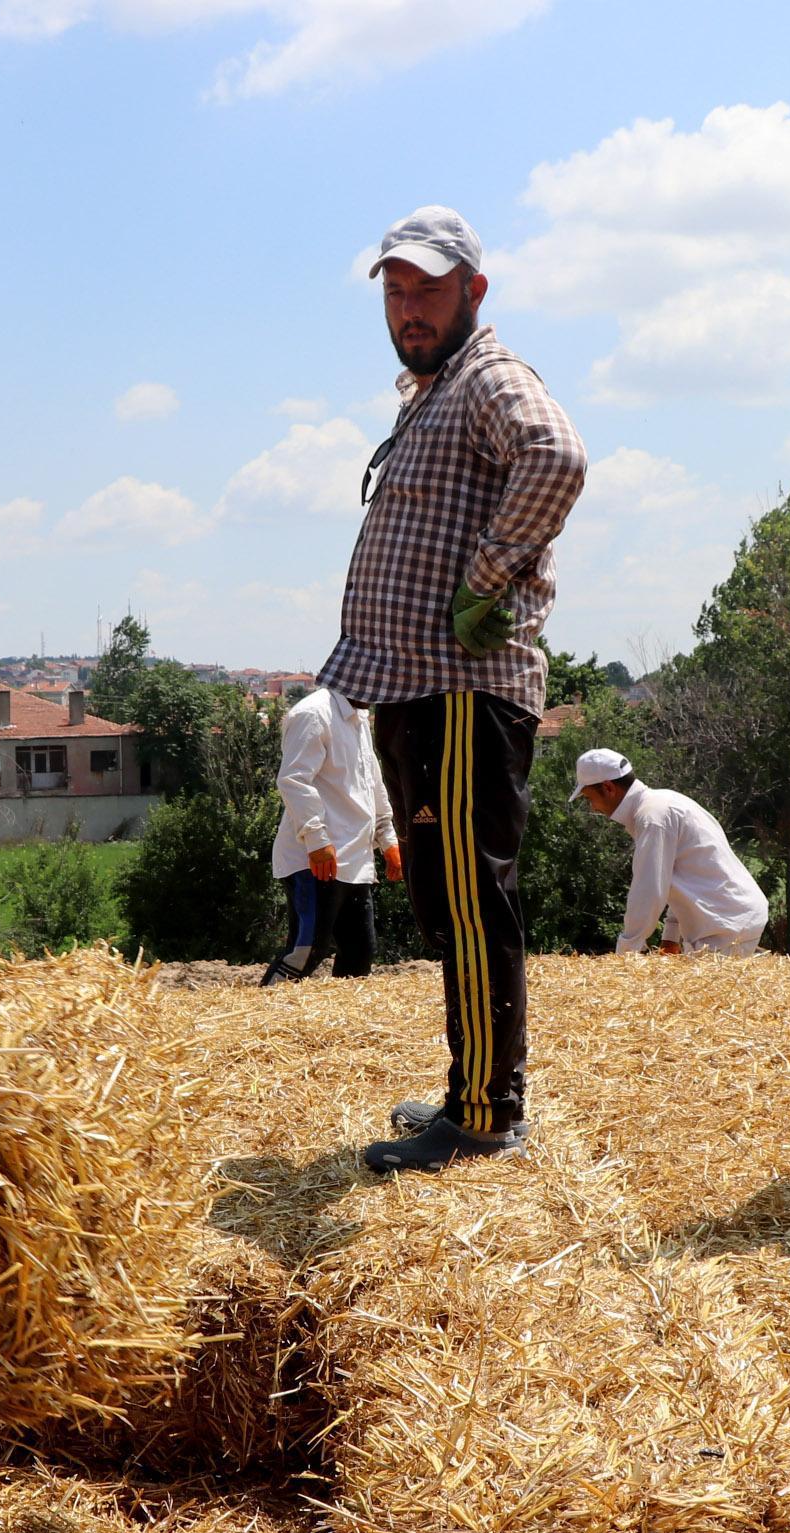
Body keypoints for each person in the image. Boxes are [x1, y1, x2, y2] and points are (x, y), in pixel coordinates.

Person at [321, 204, 589, 1172]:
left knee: (473, 900)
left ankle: (484, 1114)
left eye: (428, 289)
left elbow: (557, 456)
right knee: (448, 901)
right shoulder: (433, 390)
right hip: (423, 686)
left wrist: (487, 579)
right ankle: (468, 1086)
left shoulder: (489, 376)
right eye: (395, 291)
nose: (408, 307)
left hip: (468, 687)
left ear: (475, 291)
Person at [261, 683, 401, 985]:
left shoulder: (359, 717)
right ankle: (261, 1020)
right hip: (314, 859)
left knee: (359, 953)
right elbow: (294, 780)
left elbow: (371, 785)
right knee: (306, 951)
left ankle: (343, 1030)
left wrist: (387, 839)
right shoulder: (313, 713)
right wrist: (316, 838)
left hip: (355, 861)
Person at [569, 747, 767, 958]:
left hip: (724, 927)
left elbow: (648, 890)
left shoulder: (652, 817)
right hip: (733, 918)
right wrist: (671, 938)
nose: (592, 807)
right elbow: (684, 875)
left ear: (608, 788)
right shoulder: (663, 803)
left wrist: (625, 955)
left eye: (589, 798)